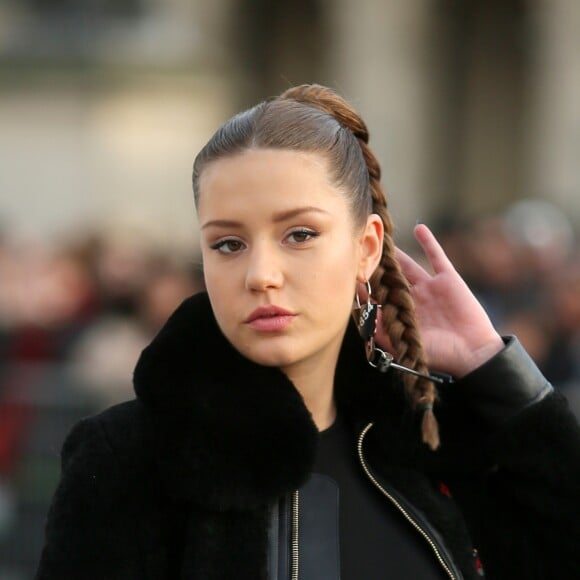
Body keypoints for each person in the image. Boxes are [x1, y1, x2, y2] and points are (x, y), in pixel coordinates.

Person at [35, 84, 580, 580]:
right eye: (228, 244)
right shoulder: (128, 459)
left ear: (365, 248)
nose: (261, 276)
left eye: (299, 234)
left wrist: (492, 367)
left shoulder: (438, 440)